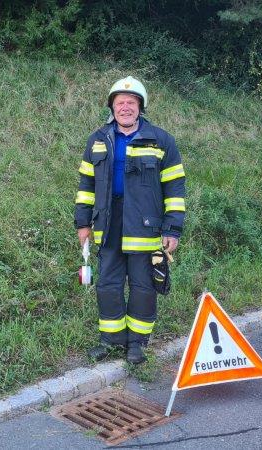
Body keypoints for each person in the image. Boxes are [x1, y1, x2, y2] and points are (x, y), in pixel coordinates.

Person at [74, 76, 186, 365]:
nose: (125, 107)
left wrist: (172, 228)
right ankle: (111, 340)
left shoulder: (161, 141)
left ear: (140, 107)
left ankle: (137, 343)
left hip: (145, 225)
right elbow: (86, 185)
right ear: (112, 107)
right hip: (108, 223)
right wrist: (83, 224)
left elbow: (174, 187)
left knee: (143, 286)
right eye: (120, 102)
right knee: (107, 285)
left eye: (131, 102)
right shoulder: (98, 140)